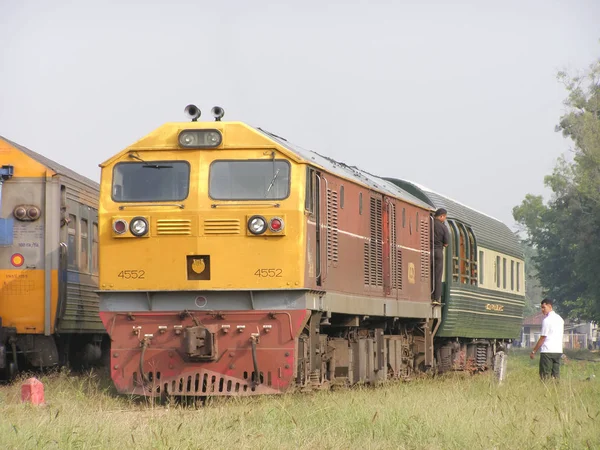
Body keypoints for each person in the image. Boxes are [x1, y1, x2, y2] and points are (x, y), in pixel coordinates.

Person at [530, 298, 564, 380]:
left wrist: (534, 351)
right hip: (558, 351)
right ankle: (556, 390)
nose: (542, 310)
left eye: (543, 307)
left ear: (549, 306)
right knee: (556, 375)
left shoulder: (547, 320)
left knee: (544, 375)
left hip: (547, 351)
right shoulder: (560, 319)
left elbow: (543, 338)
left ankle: (545, 390)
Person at [432, 208, 449, 305]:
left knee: (429, 274)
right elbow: (446, 244)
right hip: (438, 252)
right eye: (445, 217)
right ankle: (436, 298)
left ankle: (428, 294)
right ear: (442, 216)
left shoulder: (429, 223)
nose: (445, 219)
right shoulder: (443, 227)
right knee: (437, 275)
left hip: (428, 251)